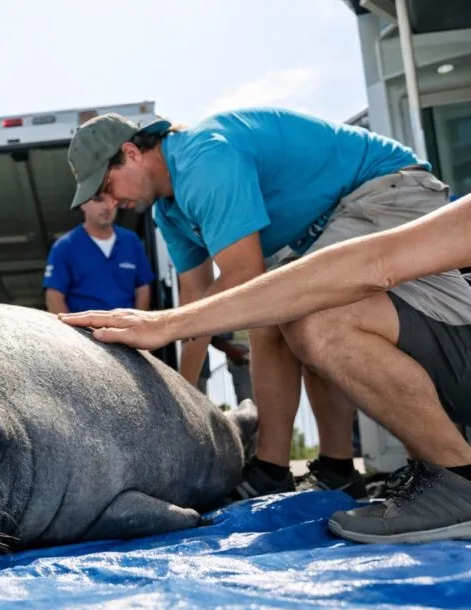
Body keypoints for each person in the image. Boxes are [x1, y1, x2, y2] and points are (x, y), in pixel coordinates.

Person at [60, 112, 471, 544]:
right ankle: (332, 469)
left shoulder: (204, 157)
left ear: (130, 154)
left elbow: (242, 276)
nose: (110, 202)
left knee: (290, 309)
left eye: (106, 186)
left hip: (380, 189)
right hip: (322, 226)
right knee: (286, 310)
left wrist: (167, 325)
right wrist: (180, 396)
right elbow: (195, 304)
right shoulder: (169, 212)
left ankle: (289, 468)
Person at [44, 194, 155, 314]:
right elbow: (54, 296)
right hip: (83, 325)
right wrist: (67, 326)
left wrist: (137, 322)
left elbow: (142, 287)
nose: (107, 207)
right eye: (98, 200)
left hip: (125, 323)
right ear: (82, 203)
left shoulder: (131, 241)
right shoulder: (65, 246)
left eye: (113, 200)